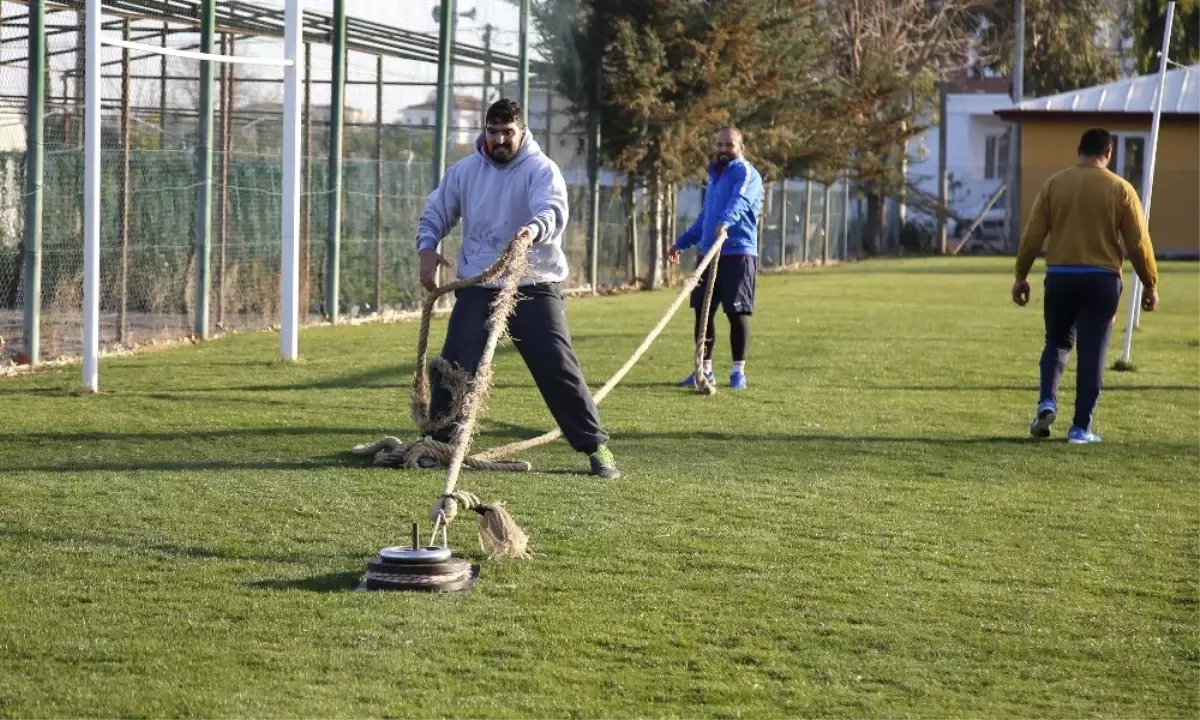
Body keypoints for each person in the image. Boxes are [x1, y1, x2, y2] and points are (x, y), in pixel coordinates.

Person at [416, 98, 620, 479]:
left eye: (507, 133)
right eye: (492, 133)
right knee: (455, 361)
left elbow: (553, 211)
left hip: (534, 281)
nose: (499, 141)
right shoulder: (464, 172)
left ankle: (595, 447)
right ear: (485, 132)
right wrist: (427, 247)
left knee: (556, 363)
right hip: (480, 281)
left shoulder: (541, 170)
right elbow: (437, 211)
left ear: (522, 131)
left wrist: (533, 230)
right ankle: (439, 441)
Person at [1012, 127, 1159, 444]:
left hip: (1062, 276)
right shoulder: (1120, 189)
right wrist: (1150, 283)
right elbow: (1137, 244)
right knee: (1092, 352)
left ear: (1078, 149)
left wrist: (1021, 275)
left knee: (1057, 343)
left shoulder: (1055, 184)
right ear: (1109, 153)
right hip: (1102, 279)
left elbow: (1033, 236)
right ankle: (1080, 428)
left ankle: (1047, 401)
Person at [668, 127, 764, 390]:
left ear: (740, 147)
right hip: (707, 256)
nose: (723, 149)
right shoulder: (714, 178)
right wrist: (681, 243)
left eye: (729, 145)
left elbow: (741, 201)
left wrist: (725, 222)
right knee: (702, 314)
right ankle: (704, 369)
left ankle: (738, 373)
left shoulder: (745, 173)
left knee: (737, 313)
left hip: (737, 253)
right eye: (720, 144)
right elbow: (704, 218)